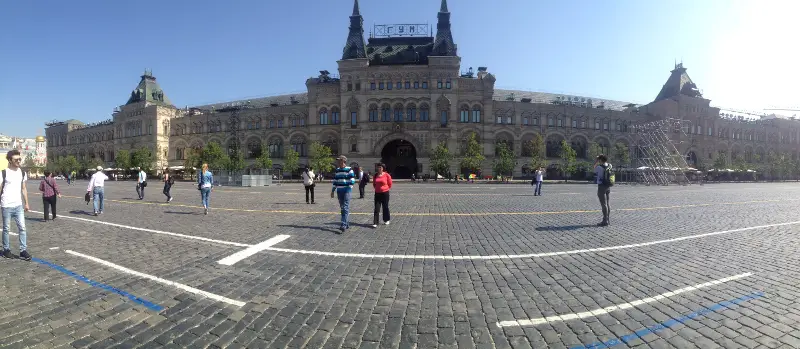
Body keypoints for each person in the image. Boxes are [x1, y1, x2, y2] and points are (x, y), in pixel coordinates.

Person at [2, 150, 31, 260]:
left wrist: (26, 203)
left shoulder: (22, 173)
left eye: (20, 159)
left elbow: (24, 189)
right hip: (6, 205)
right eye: (16, 159)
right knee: (6, 229)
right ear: (10, 160)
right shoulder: (4, 173)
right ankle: (6, 249)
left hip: (18, 205)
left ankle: (23, 250)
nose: (19, 161)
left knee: (22, 228)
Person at [331, 155, 356, 233]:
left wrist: (349, 189)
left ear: (344, 161)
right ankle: (346, 223)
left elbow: (352, 180)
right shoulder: (337, 170)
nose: (338, 161)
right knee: (342, 208)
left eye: (340, 160)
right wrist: (332, 191)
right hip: (339, 191)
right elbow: (335, 181)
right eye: (338, 160)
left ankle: (343, 224)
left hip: (346, 190)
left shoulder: (349, 169)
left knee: (345, 207)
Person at [594, 155, 614, 226]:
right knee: (608, 203)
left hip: (601, 186)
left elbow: (594, 168)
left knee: (603, 204)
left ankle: (605, 220)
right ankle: (608, 219)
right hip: (608, 186)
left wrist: (596, 160)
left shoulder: (599, 167)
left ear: (600, 160)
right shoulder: (610, 165)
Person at [372, 163, 392, 228]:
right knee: (376, 208)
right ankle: (375, 222)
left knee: (385, 207)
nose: (379, 168)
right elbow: (374, 184)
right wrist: (377, 189)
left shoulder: (387, 175)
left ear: (383, 168)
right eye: (378, 167)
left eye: (380, 167)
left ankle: (386, 219)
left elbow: (390, 183)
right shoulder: (375, 175)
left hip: (385, 193)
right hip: (377, 193)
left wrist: (385, 189)